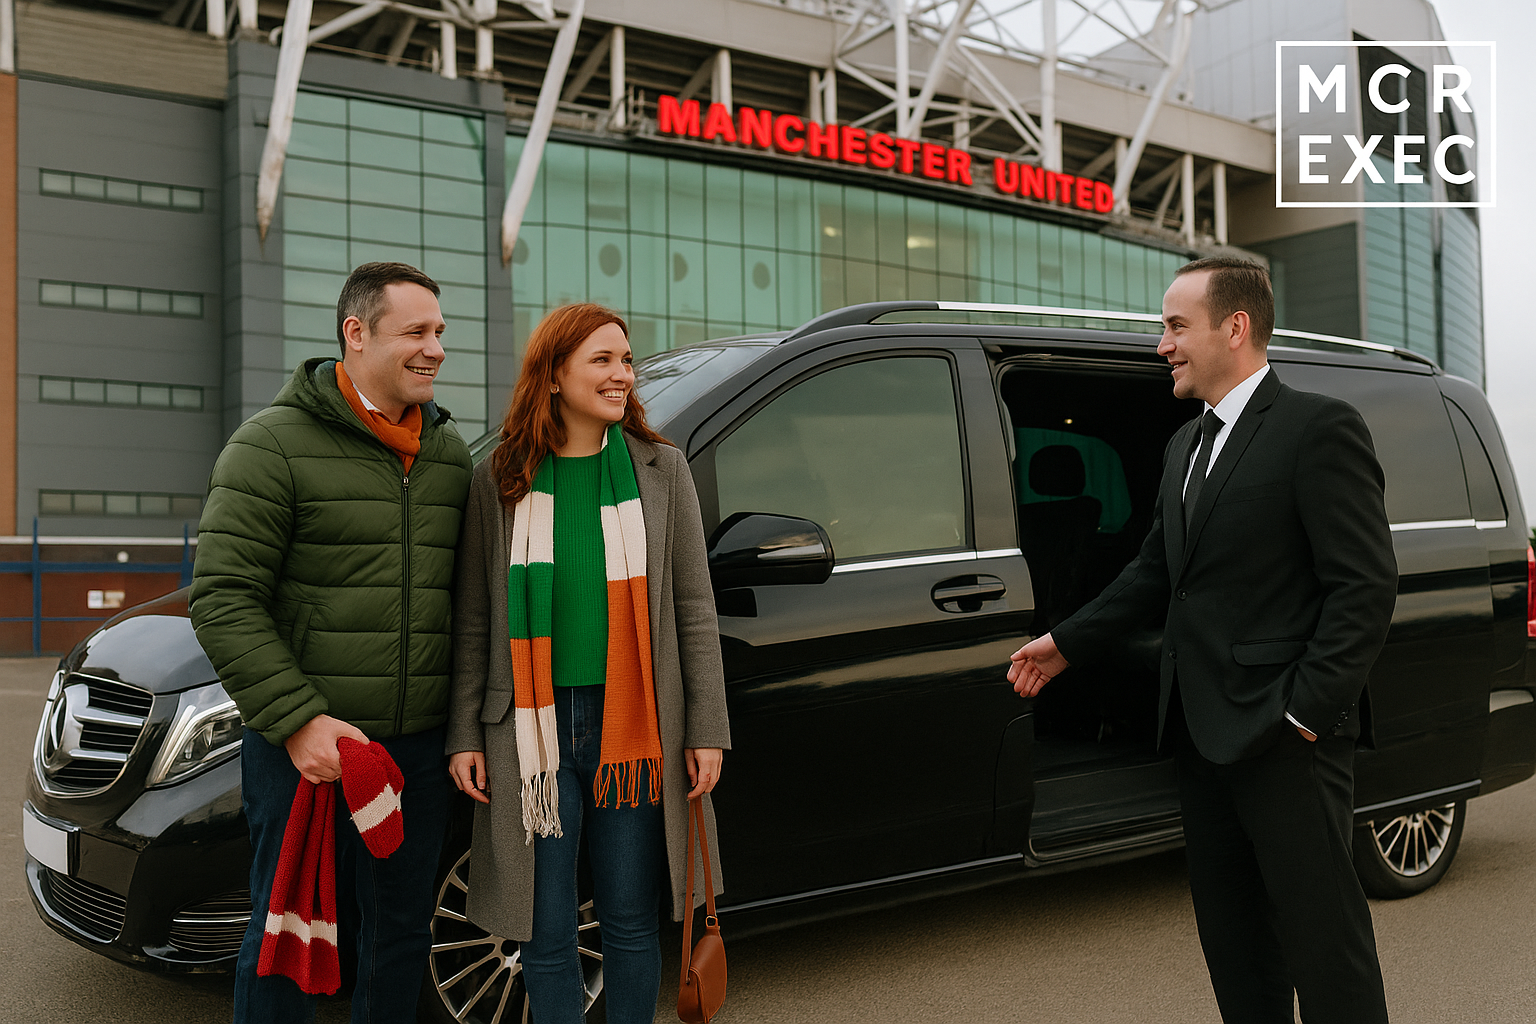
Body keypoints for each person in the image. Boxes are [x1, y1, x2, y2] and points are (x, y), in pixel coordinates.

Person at [1009, 256, 1398, 1023]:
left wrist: (1306, 715)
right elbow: (1155, 573)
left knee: (1326, 949)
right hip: (1201, 735)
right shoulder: (1184, 446)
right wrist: (1067, 643)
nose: (1163, 345)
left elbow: (1364, 587)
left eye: (1176, 326)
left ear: (1236, 326)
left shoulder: (1318, 428)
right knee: (1236, 946)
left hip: (1289, 738)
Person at [190, 262, 473, 1023]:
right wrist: (299, 722)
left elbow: (469, 601)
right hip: (307, 753)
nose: (436, 349)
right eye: (415, 331)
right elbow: (222, 598)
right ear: (356, 334)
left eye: (440, 333)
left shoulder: (450, 456)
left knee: (401, 937)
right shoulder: (269, 447)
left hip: (415, 749)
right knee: (286, 938)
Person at [447, 303, 731, 1024]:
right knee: (545, 929)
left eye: (626, 360)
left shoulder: (661, 470)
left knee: (631, 917)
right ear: (553, 375)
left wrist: (706, 729)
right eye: (601, 360)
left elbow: (694, 609)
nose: (621, 374)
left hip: (632, 727)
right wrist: (464, 735)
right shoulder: (499, 479)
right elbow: (476, 617)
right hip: (527, 734)